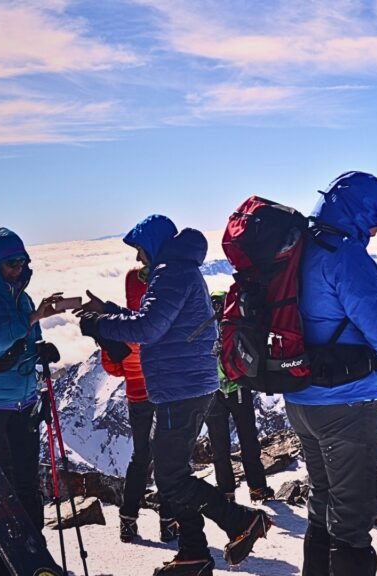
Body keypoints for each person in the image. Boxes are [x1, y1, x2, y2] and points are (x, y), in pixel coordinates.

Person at [76, 215, 270, 576]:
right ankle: (193, 552)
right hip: (185, 384)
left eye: (139, 251)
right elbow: (158, 320)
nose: (138, 260)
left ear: (151, 244)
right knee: (172, 473)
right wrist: (110, 312)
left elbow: (149, 328)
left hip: (181, 387)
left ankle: (241, 520)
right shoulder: (177, 269)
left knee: (170, 477)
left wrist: (99, 325)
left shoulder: (170, 271)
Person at [286, 171, 377, 576]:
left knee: (323, 501)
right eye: (374, 217)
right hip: (345, 399)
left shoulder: (299, 248)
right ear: (357, 212)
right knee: (353, 517)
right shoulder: (343, 254)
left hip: (300, 396)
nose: (376, 228)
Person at [0, 227, 63, 530]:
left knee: (27, 483)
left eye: (22, 262)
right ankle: (7, 555)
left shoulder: (24, 299)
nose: (18, 268)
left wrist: (42, 350)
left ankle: (35, 555)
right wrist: (32, 318)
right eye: (11, 263)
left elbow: (27, 342)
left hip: (24, 403)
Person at [101, 266, 178, 543]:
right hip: (163, 393)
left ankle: (128, 520)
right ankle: (169, 522)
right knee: (166, 456)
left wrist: (132, 371)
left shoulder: (121, 324)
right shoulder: (161, 319)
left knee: (140, 455)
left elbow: (112, 367)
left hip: (136, 397)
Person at [205, 290, 274, 504]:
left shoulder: (203, 327)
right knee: (248, 440)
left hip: (212, 391)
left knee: (219, 446)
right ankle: (257, 488)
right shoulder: (234, 325)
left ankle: (226, 493)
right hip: (239, 387)